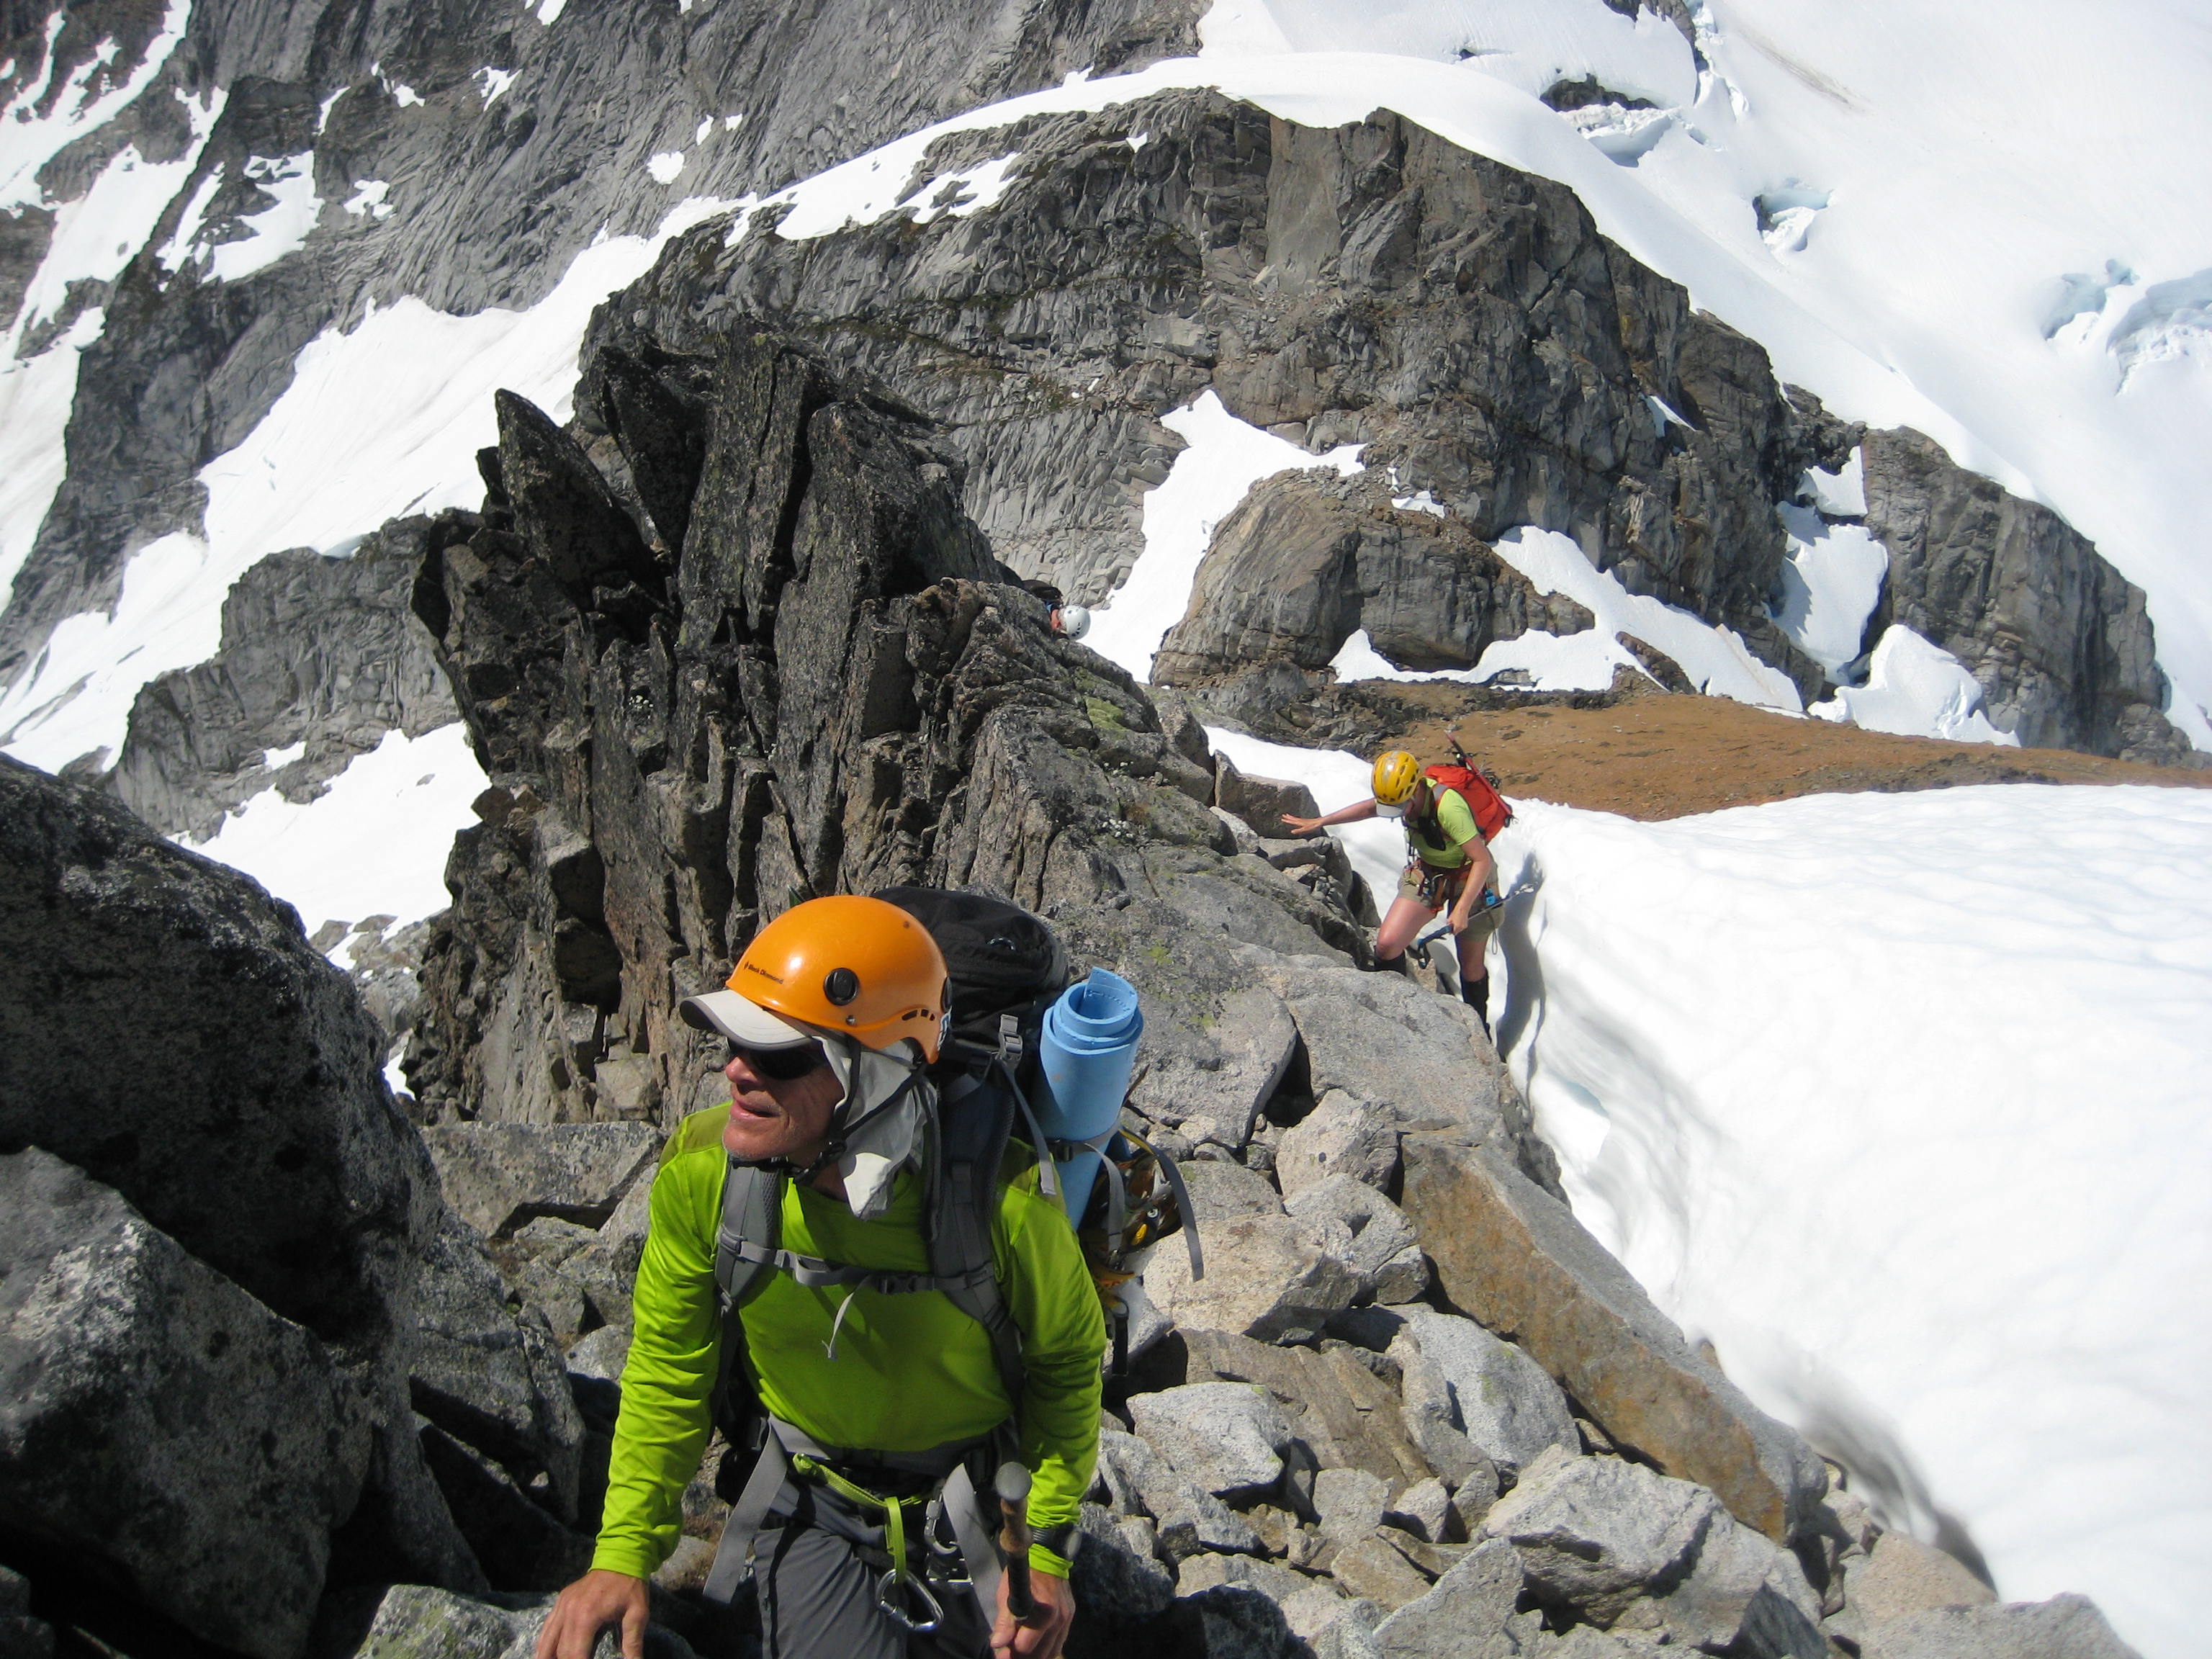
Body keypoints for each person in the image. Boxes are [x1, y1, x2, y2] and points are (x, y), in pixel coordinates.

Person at [535, 895, 1104, 1659]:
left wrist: (1043, 1555)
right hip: (809, 1502)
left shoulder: (1003, 1202)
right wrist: (622, 1557)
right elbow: (670, 1369)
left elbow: (1067, 1371)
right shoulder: (705, 1178)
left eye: (780, 1056)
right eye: (735, 1040)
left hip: (981, 1507)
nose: (737, 1071)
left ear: (873, 1074)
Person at [1282, 748, 1505, 1030]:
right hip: (1429, 873)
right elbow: (1369, 808)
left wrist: (1461, 909)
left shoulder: (1448, 807)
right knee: (1387, 946)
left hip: (1470, 877)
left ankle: (1479, 1031)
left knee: (1471, 966)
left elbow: (1481, 859)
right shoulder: (1401, 796)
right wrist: (1323, 821)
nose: (1394, 814)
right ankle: (1398, 1014)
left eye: (1401, 806)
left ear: (1415, 791)